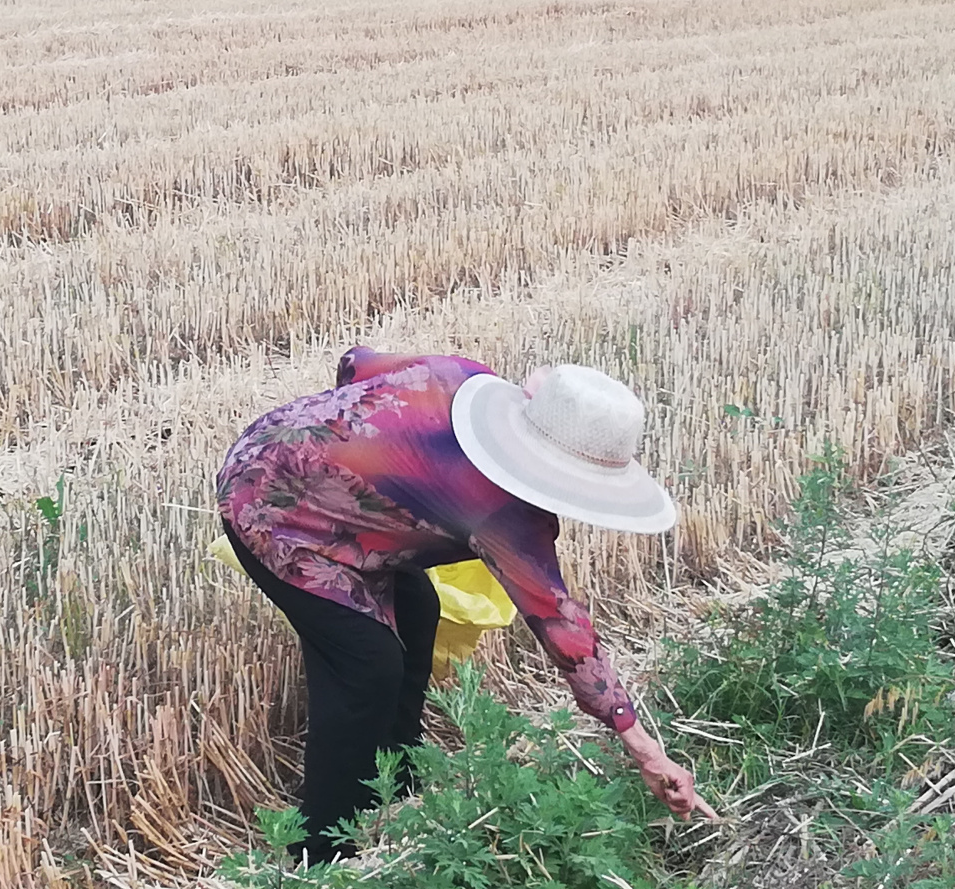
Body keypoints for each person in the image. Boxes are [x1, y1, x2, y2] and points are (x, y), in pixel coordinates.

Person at [217, 348, 717, 861]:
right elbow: (564, 630)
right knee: (366, 666)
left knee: (418, 613)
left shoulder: (463, 375)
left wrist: (367, 448)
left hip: (291, 452)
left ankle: (391, 780)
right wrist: (645, 751)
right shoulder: (503, 517)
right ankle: (323, 852)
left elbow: (355, 363)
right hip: (270, 508)